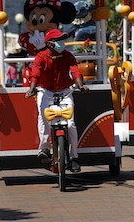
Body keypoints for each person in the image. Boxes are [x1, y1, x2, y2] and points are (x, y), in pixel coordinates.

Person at [25, 29, 88, 173]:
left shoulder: (68, 56)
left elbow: (75, 70)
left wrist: (80, 85)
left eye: (62, 39)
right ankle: (44, 149)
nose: (61, 43)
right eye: (58, 40)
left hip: (65, 92)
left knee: (71, 124)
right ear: (49, 43)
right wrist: (32, 88)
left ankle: (73, 157)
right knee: (43, 118)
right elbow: (36, 73)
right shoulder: (41, 57)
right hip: (45, 92)